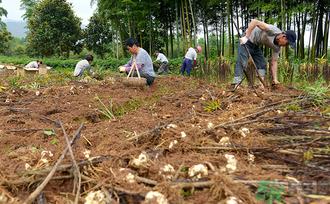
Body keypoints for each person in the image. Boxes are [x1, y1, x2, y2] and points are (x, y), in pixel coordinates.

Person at [232, 19, 296, 87]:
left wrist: (275, 79)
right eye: (287, 44)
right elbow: (254, 21)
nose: (286, 46)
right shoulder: (273, 31)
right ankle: (237, 83)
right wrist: (246, 37)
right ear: (283, 37)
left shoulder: (277, 47)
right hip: (246, 40)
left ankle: (260, 84)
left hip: (256, 44)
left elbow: (274, 61)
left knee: (262, 64)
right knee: (242, 62)